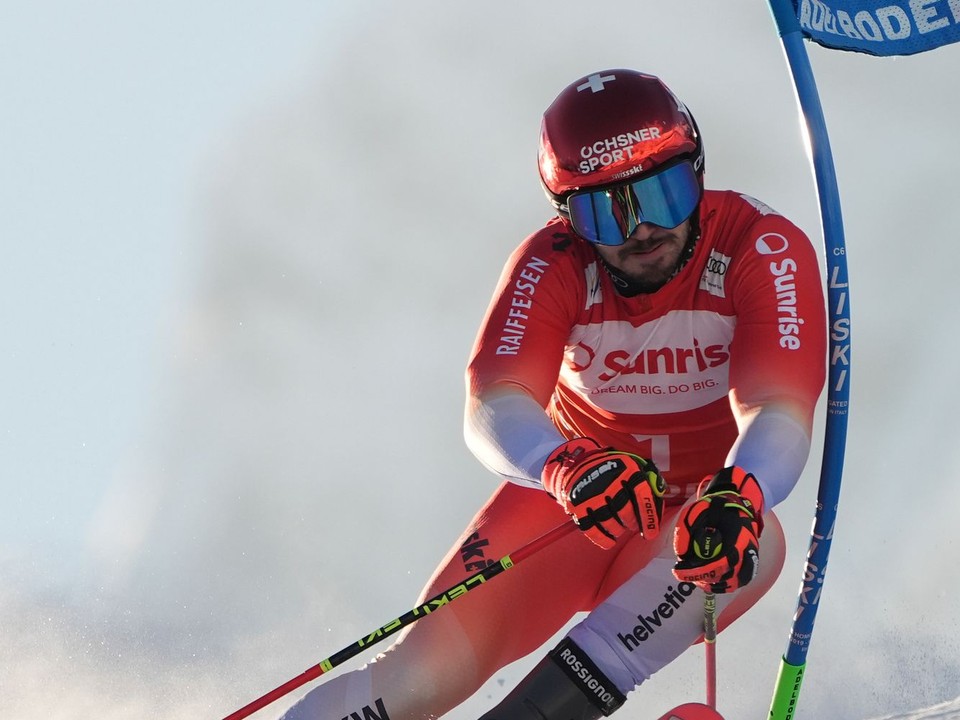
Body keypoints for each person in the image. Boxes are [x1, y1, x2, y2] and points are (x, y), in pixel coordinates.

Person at [278, 68, 826, 720]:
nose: (641, 230)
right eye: (606, 210)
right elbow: (493, 403)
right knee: (416, 680)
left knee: (757, 537)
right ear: (567, 216)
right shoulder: (556, 261)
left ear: (698, 172)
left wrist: (741, 492)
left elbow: (781, 410)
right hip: (580, 503)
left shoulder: (759, 247)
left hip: (695, 522)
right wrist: (563, 466)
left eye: (663, 193)